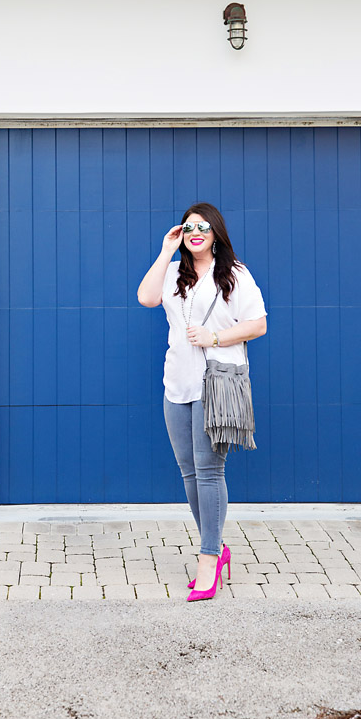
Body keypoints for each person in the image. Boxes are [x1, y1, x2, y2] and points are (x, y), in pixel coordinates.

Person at [137, 202, 267, 601]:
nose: (196, 233)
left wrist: (213, 338)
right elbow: (145, 298)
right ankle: (217, 545)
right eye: (189, 227)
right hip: (176, 383)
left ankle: (209, 558)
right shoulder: (175, 273)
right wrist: (164, 250)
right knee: (189, 473)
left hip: (216, 386)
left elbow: (258, 324)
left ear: (216, 233)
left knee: (210, 471)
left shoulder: (235, 274)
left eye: (203, 227)